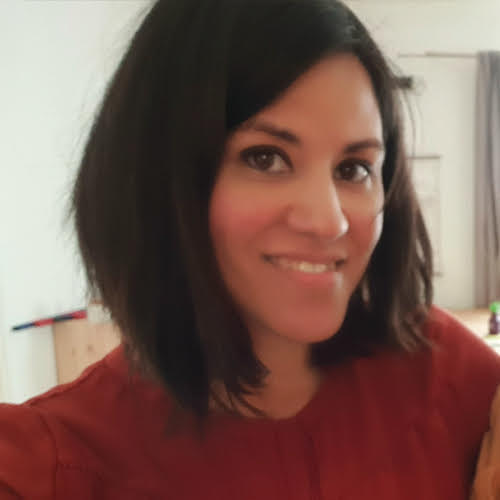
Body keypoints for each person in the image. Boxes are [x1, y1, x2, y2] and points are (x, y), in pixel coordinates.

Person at [1, 0, 499, 498]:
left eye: (353, 168)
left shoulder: (452, 377)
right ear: (156, 176)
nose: (329, 221)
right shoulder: (52, 463)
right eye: (265, 158)